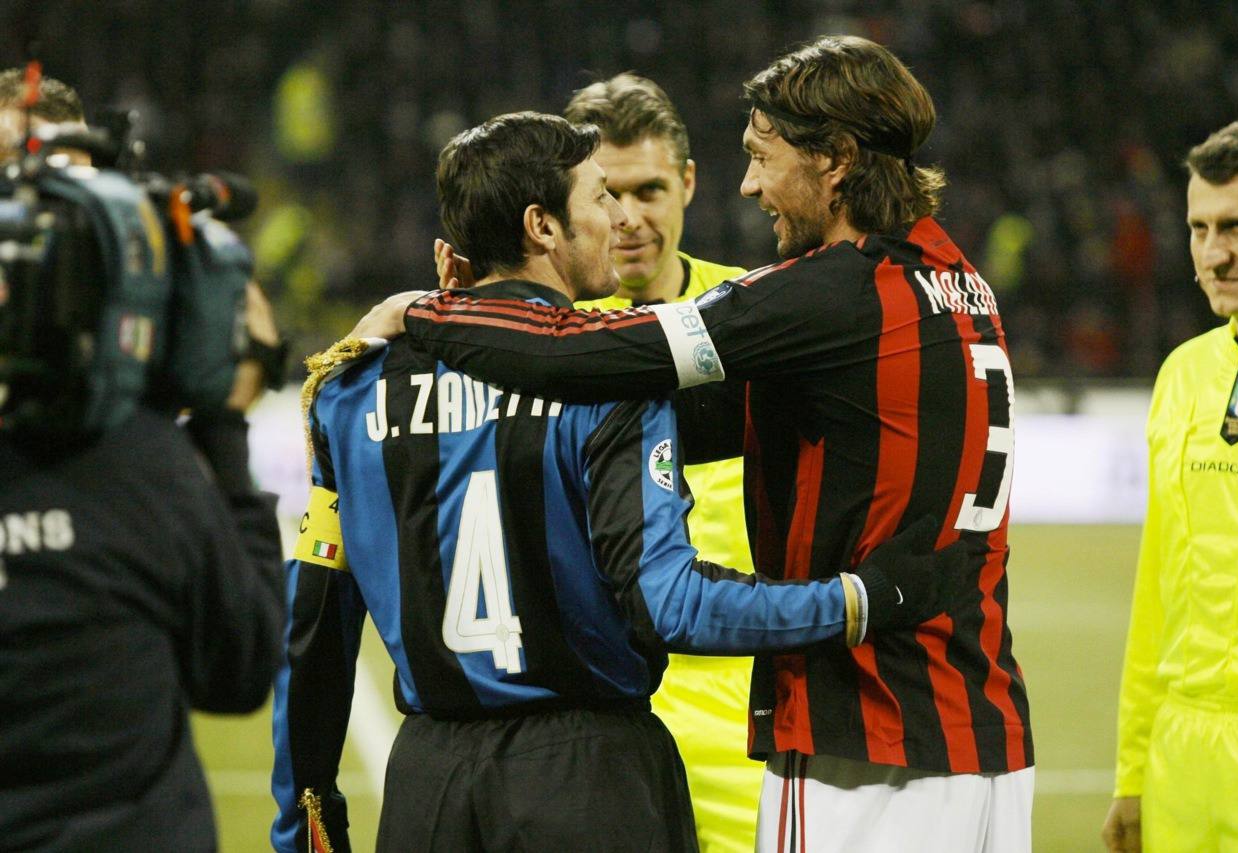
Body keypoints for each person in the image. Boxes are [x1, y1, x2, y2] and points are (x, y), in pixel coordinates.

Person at [358, 36, 1034, 852]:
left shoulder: (827, 293)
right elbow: (711, 416)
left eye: (762, 156)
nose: (749, 184)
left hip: (869, 731)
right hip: (981, 723)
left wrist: (427, 313)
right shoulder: (954, 278)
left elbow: (580, 356)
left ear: (835, 160)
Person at [0, 71, 285, 851]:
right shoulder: (147, 463)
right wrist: (222, 430)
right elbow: (240, 667)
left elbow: (241, 666)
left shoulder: (144, 458)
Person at [566, 73, 757, 853]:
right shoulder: (546, 334)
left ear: (688, 183)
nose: (628, 217)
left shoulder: (757, 317)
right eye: (606, 194)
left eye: (649, 189)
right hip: (601, 725)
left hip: (749, 731)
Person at [1102, 114, 1238, 853]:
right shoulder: (1183, 372)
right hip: (1179, 757)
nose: (1214, 254)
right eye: (1198, 229)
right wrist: (1134, 768)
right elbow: (1158, 585)